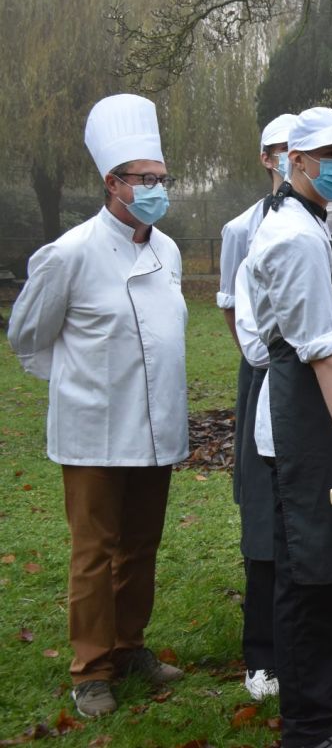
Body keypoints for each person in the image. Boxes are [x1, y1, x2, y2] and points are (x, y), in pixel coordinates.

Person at [8, 94, 187, 718]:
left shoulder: (167, 250)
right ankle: (89, 670)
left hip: (156, 426)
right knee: (94, 552)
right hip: (93, 430)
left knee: (141, 546)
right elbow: (28, 337)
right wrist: (81, 387)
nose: (157, 189)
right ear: (112, 183)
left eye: (162, 179)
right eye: (145, 179)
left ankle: (129, 646)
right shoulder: (70, 252)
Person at [241, 106, 332, 748]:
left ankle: (324, 697)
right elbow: (322, 352)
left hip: (314, 422)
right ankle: (307, 727)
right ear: (295, 161)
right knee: (303, 579)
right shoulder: (295, 238)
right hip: (300, 425)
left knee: (319, 569)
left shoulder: (308, 224)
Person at [215, 112, 295, 701]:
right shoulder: (241, 229)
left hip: (318, 380)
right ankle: (261, 651)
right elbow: (233, 308)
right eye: (283, 149)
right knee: (265, 514)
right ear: (267, 158)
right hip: (266, 372)